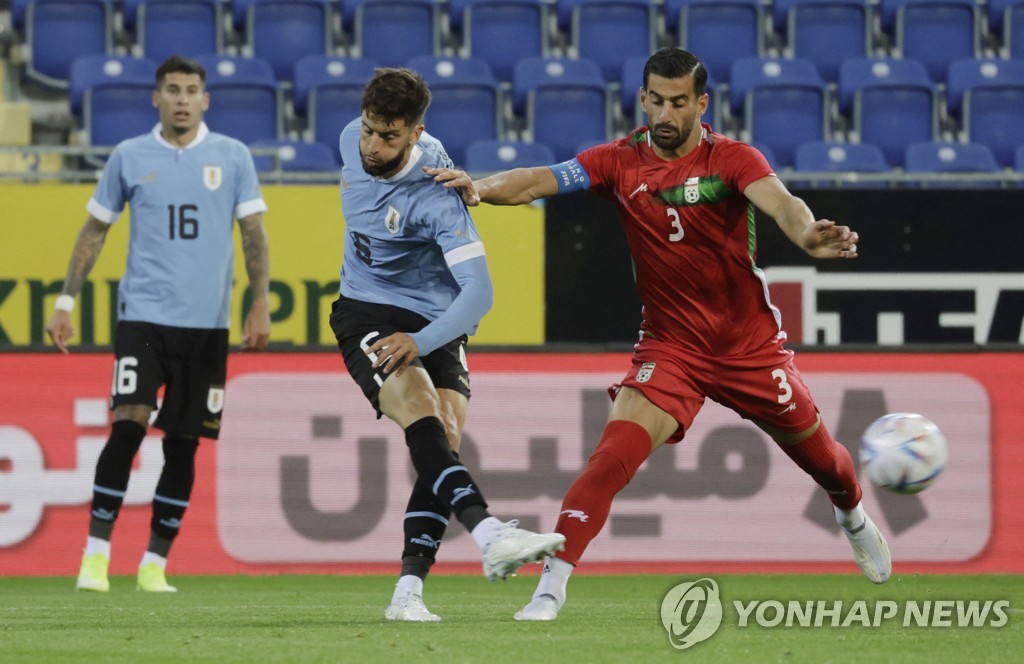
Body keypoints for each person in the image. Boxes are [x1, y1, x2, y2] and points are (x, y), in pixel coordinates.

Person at [428, 47, 892, 622]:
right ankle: (549, 590)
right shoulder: (618, 162)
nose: (666, 113)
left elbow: (783, 203)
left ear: (701, 103)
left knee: (827, 462)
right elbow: (535, 181)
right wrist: (480, 186)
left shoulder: (733, 160)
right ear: (643, 98)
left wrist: (806, 236)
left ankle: (852, 516)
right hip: (671, 349)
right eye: (657, 100)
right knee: (609, 459)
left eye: (679, 102)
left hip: (749, 348)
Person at [329, 67, 565, 622]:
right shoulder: (348, 139)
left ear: (416, 133)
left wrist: (424, 339)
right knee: (421, 411)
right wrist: (407, 340)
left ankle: (407, 593)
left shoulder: (439, 193)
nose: (371, 145)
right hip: (365, 306)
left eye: (388, 136)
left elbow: (479, 294)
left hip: (435, 317)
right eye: (369, 130)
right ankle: (488, 534)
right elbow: (359, 149)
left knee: (445, 439)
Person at [46, 55, 272, 593]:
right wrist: (65, 301)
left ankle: (154, 563)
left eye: (191, 90)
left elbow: (254, 236)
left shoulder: (232, 156)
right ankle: (96, 555)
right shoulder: (129, 156)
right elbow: (94, 232)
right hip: (143, 318)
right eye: (172, 89)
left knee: (184, 443)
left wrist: (258, 302)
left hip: (207, 327)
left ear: (205, 100)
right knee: (128, 424)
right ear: (156, 98)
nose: (181, 99)